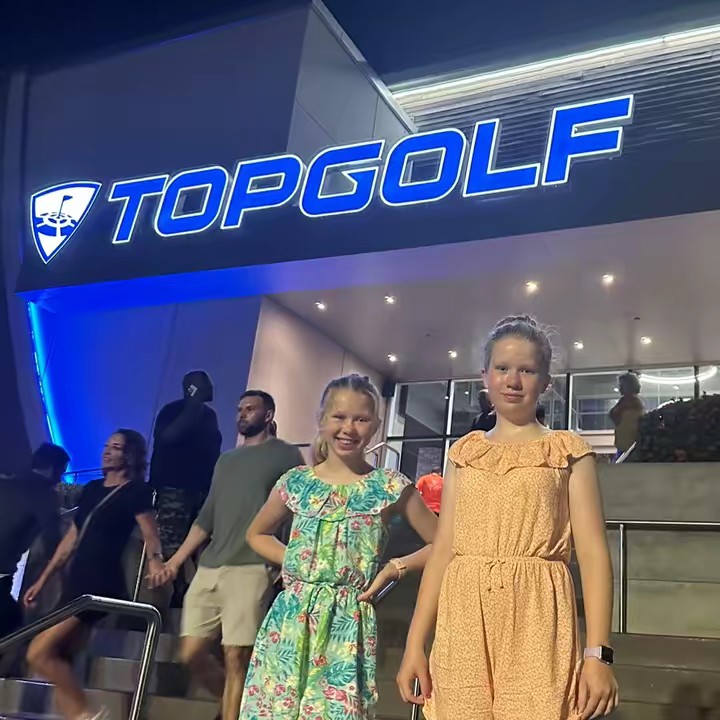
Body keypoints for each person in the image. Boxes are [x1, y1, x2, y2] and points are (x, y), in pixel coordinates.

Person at [396, 315, 618, 720]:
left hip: (538, 615)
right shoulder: (465, 452)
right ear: (485, 376)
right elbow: (444, 550)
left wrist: (598, 655)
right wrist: (415, 643)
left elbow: (593, 555)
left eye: (526, 370)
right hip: (463, 616)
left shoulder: (568, 451)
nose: (513, 380)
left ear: (545, 381)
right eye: (502, 368)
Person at [238, 374, 438, 720]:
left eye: (361, 419)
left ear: (376, 425)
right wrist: (295, 559)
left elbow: (446, 542)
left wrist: (396, 567)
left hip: (347, 624)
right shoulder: (297, 482)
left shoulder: (388, 486)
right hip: (290, 623)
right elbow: (256, 533)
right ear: (321, 419)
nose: (349, 428)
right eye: (339, 417)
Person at [149, 391, 304, 720]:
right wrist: (174, 562)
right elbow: (206, 518)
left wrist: (288, 558)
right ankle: (242, 706)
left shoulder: (286, 455)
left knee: (236, 656)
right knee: (190, 653)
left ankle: (233, 711)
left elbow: (299, 509)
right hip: (211, 565)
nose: (242, 414)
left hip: (253, 566)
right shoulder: (226, 461)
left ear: (268, 414)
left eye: (250, 409)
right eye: (239, 409)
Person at [24, 430, 163, 720]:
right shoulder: (91, 489)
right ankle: (78, 714)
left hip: (99, 583)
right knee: (61, 656)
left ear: (130, 455)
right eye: (107, 446)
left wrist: (155, 562)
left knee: (38, 652)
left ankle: (87, 714)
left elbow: (150, 534)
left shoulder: (136, 492)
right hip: (76, 580)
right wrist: (42, 579)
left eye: (116, 447)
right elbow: (71, 539)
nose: (107, 451)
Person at [149, 371, 222, 606]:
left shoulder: (208, 416)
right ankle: (179, 588)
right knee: (173, 540)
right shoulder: (173, 412)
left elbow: (213, 451)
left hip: (201, 489)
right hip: (174, 488)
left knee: (203, 539)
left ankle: (199, 587)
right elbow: (166, 439)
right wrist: (193, 407)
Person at [0, 443, 69, 638]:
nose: (60, 479)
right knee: (13, 629)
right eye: (61, 472)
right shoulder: (44, 495)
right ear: (52, 469)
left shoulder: (7, 483)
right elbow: (53, 543)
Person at [609, 372, 644, 458]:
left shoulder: (631, 402)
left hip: (628, 445)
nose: (620, 388)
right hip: (627, 445)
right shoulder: (630, 401)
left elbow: (614, 415)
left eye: (621, 385)